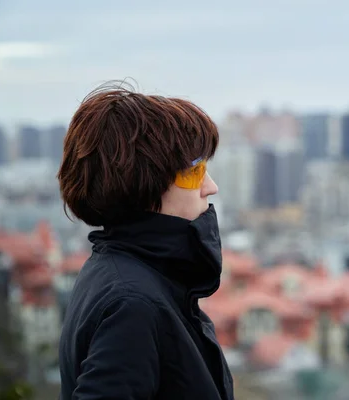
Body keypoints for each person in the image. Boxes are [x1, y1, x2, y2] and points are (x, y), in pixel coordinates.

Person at [57, 82, 234, 400]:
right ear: (145, 183)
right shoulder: (133, 303)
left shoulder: (124, 272)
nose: (211, 186)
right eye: (196, 171)